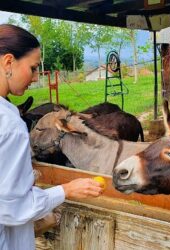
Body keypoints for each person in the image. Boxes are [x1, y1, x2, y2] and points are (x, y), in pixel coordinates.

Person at [0, 24, 104, 250]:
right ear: (8, 62)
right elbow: (12, 207)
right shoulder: (9, 124)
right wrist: (67, 190)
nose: (36, 77)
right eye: (33, 67)